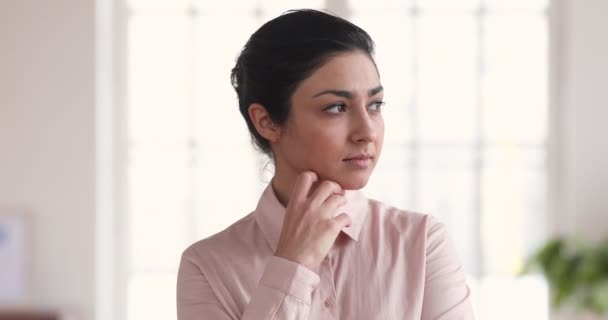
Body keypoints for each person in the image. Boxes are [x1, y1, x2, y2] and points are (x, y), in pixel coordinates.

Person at [177, 9, 473, 320]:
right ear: (266, 122)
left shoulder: (422, 244)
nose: (367, 132)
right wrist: (293, 264)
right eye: (336, 107)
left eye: (374, 105)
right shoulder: (207, 268)